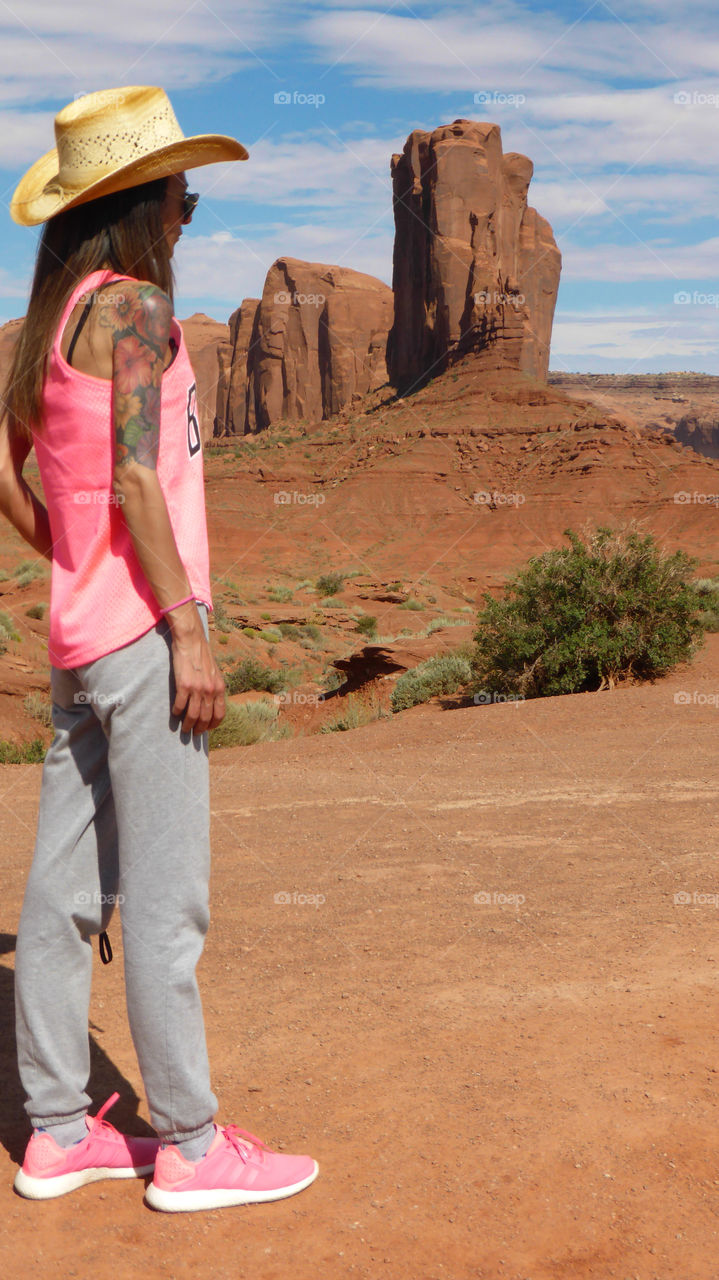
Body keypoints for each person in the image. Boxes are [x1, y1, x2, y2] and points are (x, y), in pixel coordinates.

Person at [0, 85, 318, 1213]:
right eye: (179, 185)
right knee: (168, 899)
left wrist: (67, 547)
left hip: (78, 640)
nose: (190, 204)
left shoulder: (46, 318)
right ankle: (186, 1141)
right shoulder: (134, 311)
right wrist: (187, 629)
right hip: (140, 640)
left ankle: (52, 1132)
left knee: (58, 896)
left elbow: (17, 472)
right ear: (138, 197)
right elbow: (138, 475)